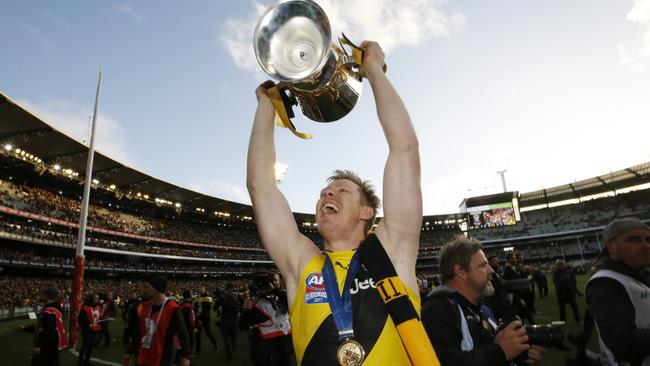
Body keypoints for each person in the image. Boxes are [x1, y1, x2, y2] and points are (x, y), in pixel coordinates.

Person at [247, 41, 426, 365]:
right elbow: (261, 187)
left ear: (367, 212)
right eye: (324, 192)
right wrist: (266, 106)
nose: (326, 195)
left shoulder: (393, 250)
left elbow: (405, 149)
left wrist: (372, 70)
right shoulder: (302, 263)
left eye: (341, 191)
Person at [422, 236, 544, 365]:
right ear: (461, 271)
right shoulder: (437, 310)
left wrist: (515, 354)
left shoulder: (481, 308)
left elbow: (483, 350)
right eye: (483, 265)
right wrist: (500, 352)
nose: (491, 270)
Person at [586, 217, 650, 365]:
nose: (646, 245)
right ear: (611, 247)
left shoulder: (640, 274)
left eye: (648, 239)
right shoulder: (604, 282)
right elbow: (621, 342)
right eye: (634, 240)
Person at [122, 276, 191, 366]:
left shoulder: (173, 310)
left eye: (147, 287)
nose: (144, 290)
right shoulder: (146, 307)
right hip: (143, 358)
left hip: (161, 360)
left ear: (156, 289)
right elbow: (140, 332)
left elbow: (183, 335)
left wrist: (186, 357)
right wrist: (129, 352)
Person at [240, 273, 292, 366]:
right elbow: (242, 326)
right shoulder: (255, 301)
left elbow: (292, 304)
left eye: (275, 280)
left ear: (280, 282)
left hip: (284, 343)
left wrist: (275, 291)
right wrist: (245, 311)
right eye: (267, 281)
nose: (270, 283)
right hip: (264, 346)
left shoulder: (284, 296)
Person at [32, 287, 67, 366]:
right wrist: (25, 328)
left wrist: (38, 345)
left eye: (43, 294)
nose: (41, 295)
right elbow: (44, 326)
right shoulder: (54, 308)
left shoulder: (49, 310)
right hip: (54, 343)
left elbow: (48, 330)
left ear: (47, 296)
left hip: (49, 346)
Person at [553, 259, 581, 324]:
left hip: (569, 293)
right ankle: (563, 321)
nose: (559, 266)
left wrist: (573, 289)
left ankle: (578, 320)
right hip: (561, 293)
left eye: (560, 264)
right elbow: (554, 281)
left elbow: (574, 281)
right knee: (562, 309)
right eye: (558, 264)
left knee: (574, 307)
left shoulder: (568, 272)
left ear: (563, 264)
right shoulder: (556, 272)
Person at [218, 282, 242, 362]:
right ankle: (233, 351)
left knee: (227, 338)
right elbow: (242, 303)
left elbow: (216, 306)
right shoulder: (237, 295)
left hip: (225, 319)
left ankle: (230, 355)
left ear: (226, 287)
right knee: (233, 337)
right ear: (232, 287)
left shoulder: (223, 295)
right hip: (235, 319)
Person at [77, 293, 102, 366]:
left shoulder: (99, 307)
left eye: (98, 298)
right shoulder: (85, 308)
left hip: (95, 330)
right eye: (96, 298)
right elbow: (80, 319)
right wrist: (88, 323)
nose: (97, 300)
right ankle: (80, 362)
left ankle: (86, 361)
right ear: (91, 299)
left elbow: (99, 318)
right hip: (87, 331)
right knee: (85, 347)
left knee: (90, 347)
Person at [195, 285, 219, 354]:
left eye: (201, 287)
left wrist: (200, 318)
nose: (199, 289)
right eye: (199, 287)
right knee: (197, 335)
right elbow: (196, 307)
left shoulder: (208, 297)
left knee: (208, 332)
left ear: (204, 289)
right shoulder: (198, 297)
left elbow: (207, 310)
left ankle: (215, 345)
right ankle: (197, 350)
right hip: (198, 317)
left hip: (205, 318)